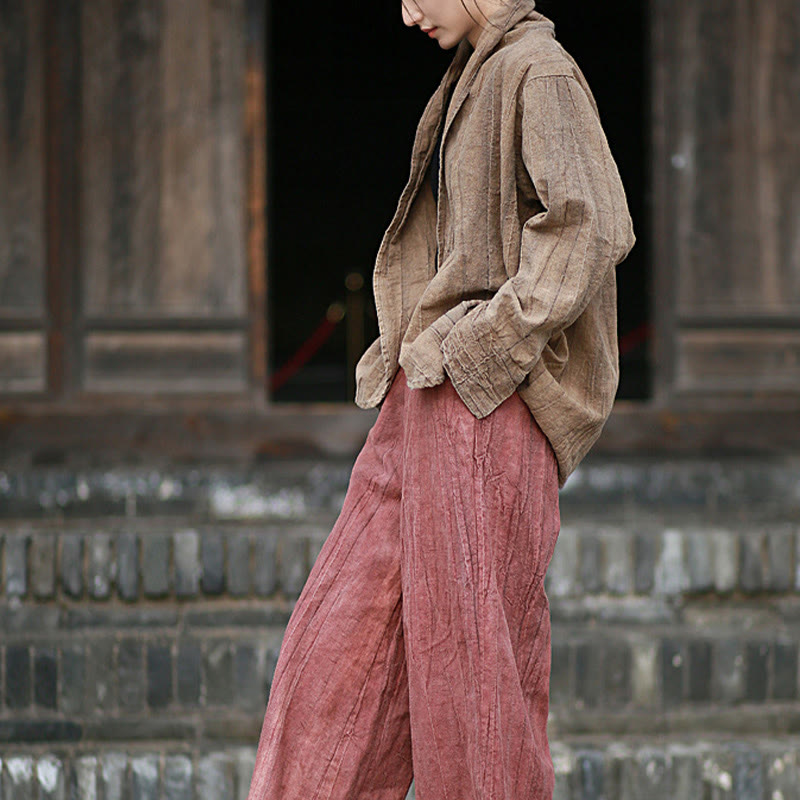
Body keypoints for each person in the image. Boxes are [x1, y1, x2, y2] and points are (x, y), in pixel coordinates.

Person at [246, 0, 635, 797]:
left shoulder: (539, 70)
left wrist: (482, 347)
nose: (406, 11)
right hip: (425, 388)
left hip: (487, 400)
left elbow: (591, 226)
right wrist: (438, 359)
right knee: (336, 653)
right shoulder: (475, 73)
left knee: (472, 691)